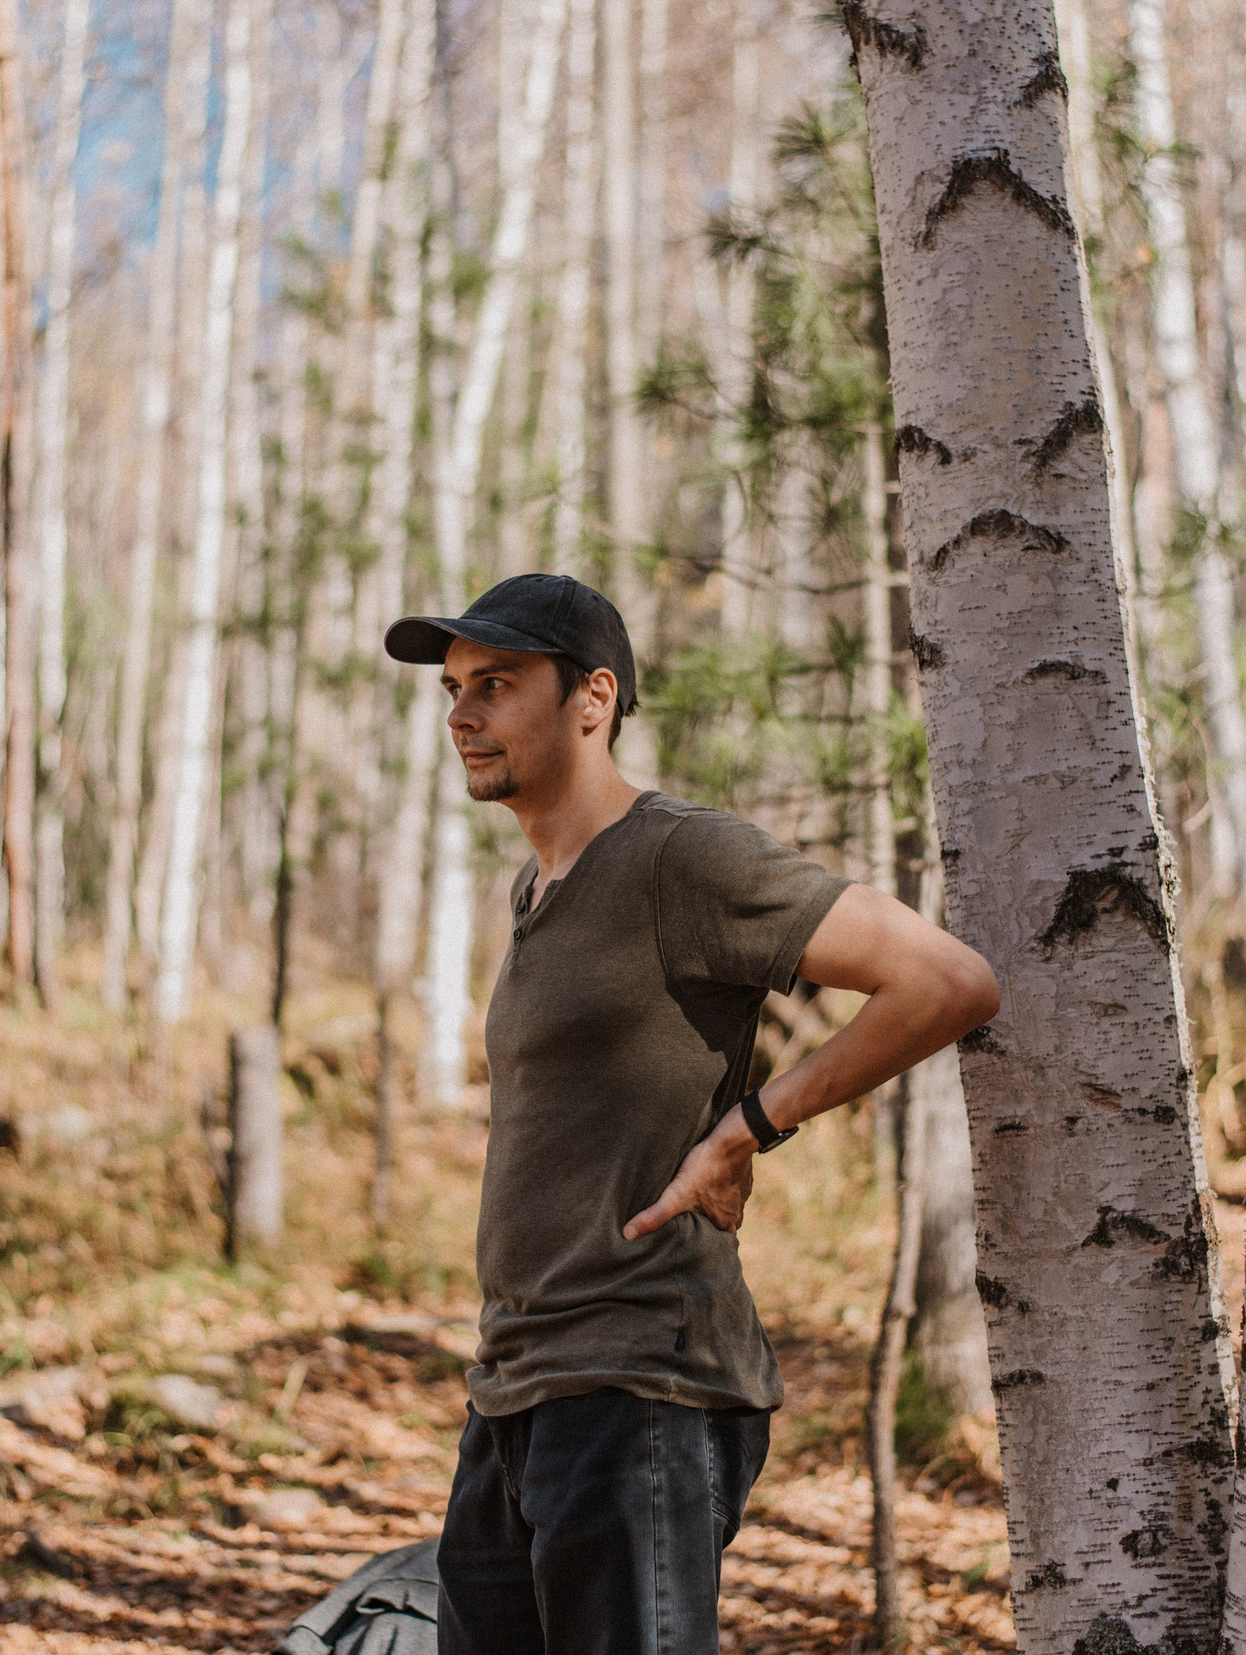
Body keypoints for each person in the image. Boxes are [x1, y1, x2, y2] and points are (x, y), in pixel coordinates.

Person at [381, 574, 1000, 1655]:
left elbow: (942, 979)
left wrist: (750, 1124)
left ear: (593, 697)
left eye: (497, 683)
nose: (462, 715)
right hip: (516, 1390)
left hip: (639, 1389)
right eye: (453, 688)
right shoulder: (533, 889)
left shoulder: (680, 858)